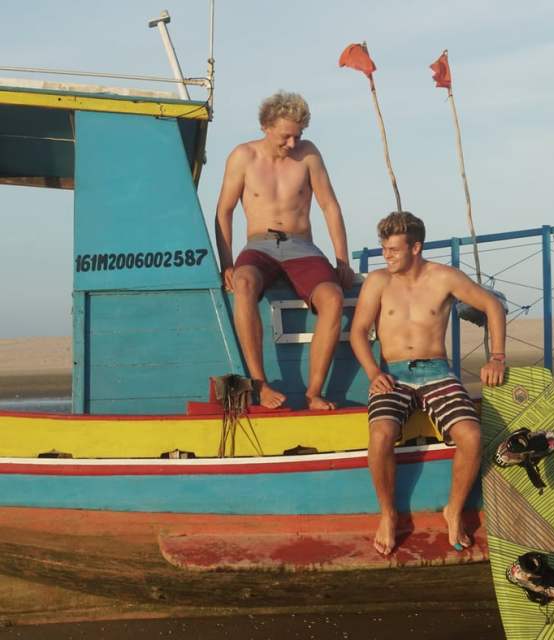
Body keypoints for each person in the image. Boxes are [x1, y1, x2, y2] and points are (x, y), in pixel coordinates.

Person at [349, 211, 506, 555]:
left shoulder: (444, 277)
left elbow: (492, 306)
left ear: (416, 247)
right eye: (384, 249)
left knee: (472, 435)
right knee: (380, 435)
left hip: (437, 372)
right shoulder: (378, 281)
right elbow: (358, 332)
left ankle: (454, 510)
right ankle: (388, 514)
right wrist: (374, 373)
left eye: (393, 249)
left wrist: (497, 357)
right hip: (393, 375)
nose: (386, 256)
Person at [215, 91, 354, 410]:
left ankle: (314, 393)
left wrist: (342, 259)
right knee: (244, 283)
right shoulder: (243, 156)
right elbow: (224, 210)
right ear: (266, 126)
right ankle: (260, 383)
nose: (292, 143)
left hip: (301, 246)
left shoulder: (309, 155)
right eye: (285, 136)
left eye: (298, 136)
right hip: (259, 245)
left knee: (333, 298)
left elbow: (329, 206)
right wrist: (227, 263)